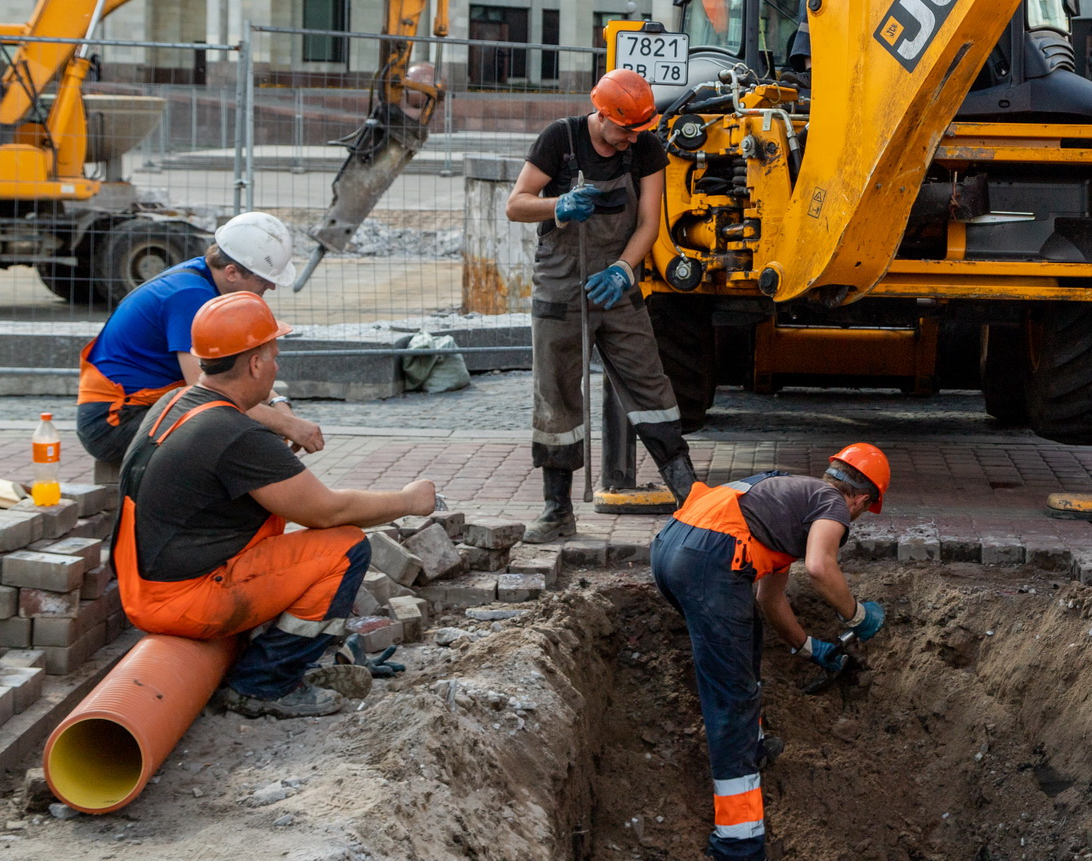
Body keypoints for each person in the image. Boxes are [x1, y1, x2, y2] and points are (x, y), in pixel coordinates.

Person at [116, 292, 437, 719]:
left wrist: (276, 439)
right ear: (253, 364)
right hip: (182, 601)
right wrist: (409, 500)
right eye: (273, 354)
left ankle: (263, 657)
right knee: (344, 548)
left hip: (139, 586)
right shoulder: (233, 433)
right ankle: (264, 685)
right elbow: (327, 511)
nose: (277, 365)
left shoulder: (176, 404)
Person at [650, 444, 892, 861]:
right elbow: (820, 567)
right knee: (732, 698)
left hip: (672, 548)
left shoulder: (784, 496)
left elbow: (770, 599)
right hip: (709, 563)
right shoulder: (832, 505)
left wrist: (808, 647)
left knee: (746, 644)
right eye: (862, 512)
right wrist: (855, 616)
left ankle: (753, 747)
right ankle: (738, 842)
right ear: (862, 499)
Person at [504, 68, 697, 542]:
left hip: (616, 284)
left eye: (639, 130)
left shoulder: (645, 150)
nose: (632, 139)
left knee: (650, 386)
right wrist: (559, 206)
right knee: (558, 396)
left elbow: (649, 223)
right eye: (625, 129)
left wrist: (624, 270)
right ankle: (557, 511)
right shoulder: (560, 140)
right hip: (560, 287)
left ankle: (692, 502)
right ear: (603, 114)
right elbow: (516, 203)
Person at [77, 211, 322, 466]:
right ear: (231, 272)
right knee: (237, 435)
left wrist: (279, 405)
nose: (270, 287)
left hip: (130, 411)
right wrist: (287, 424)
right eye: (263, 279)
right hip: (112, 424)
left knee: (246, 430)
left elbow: (233, 371)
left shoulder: (204, 278)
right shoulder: (190, 297)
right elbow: (210, 392)